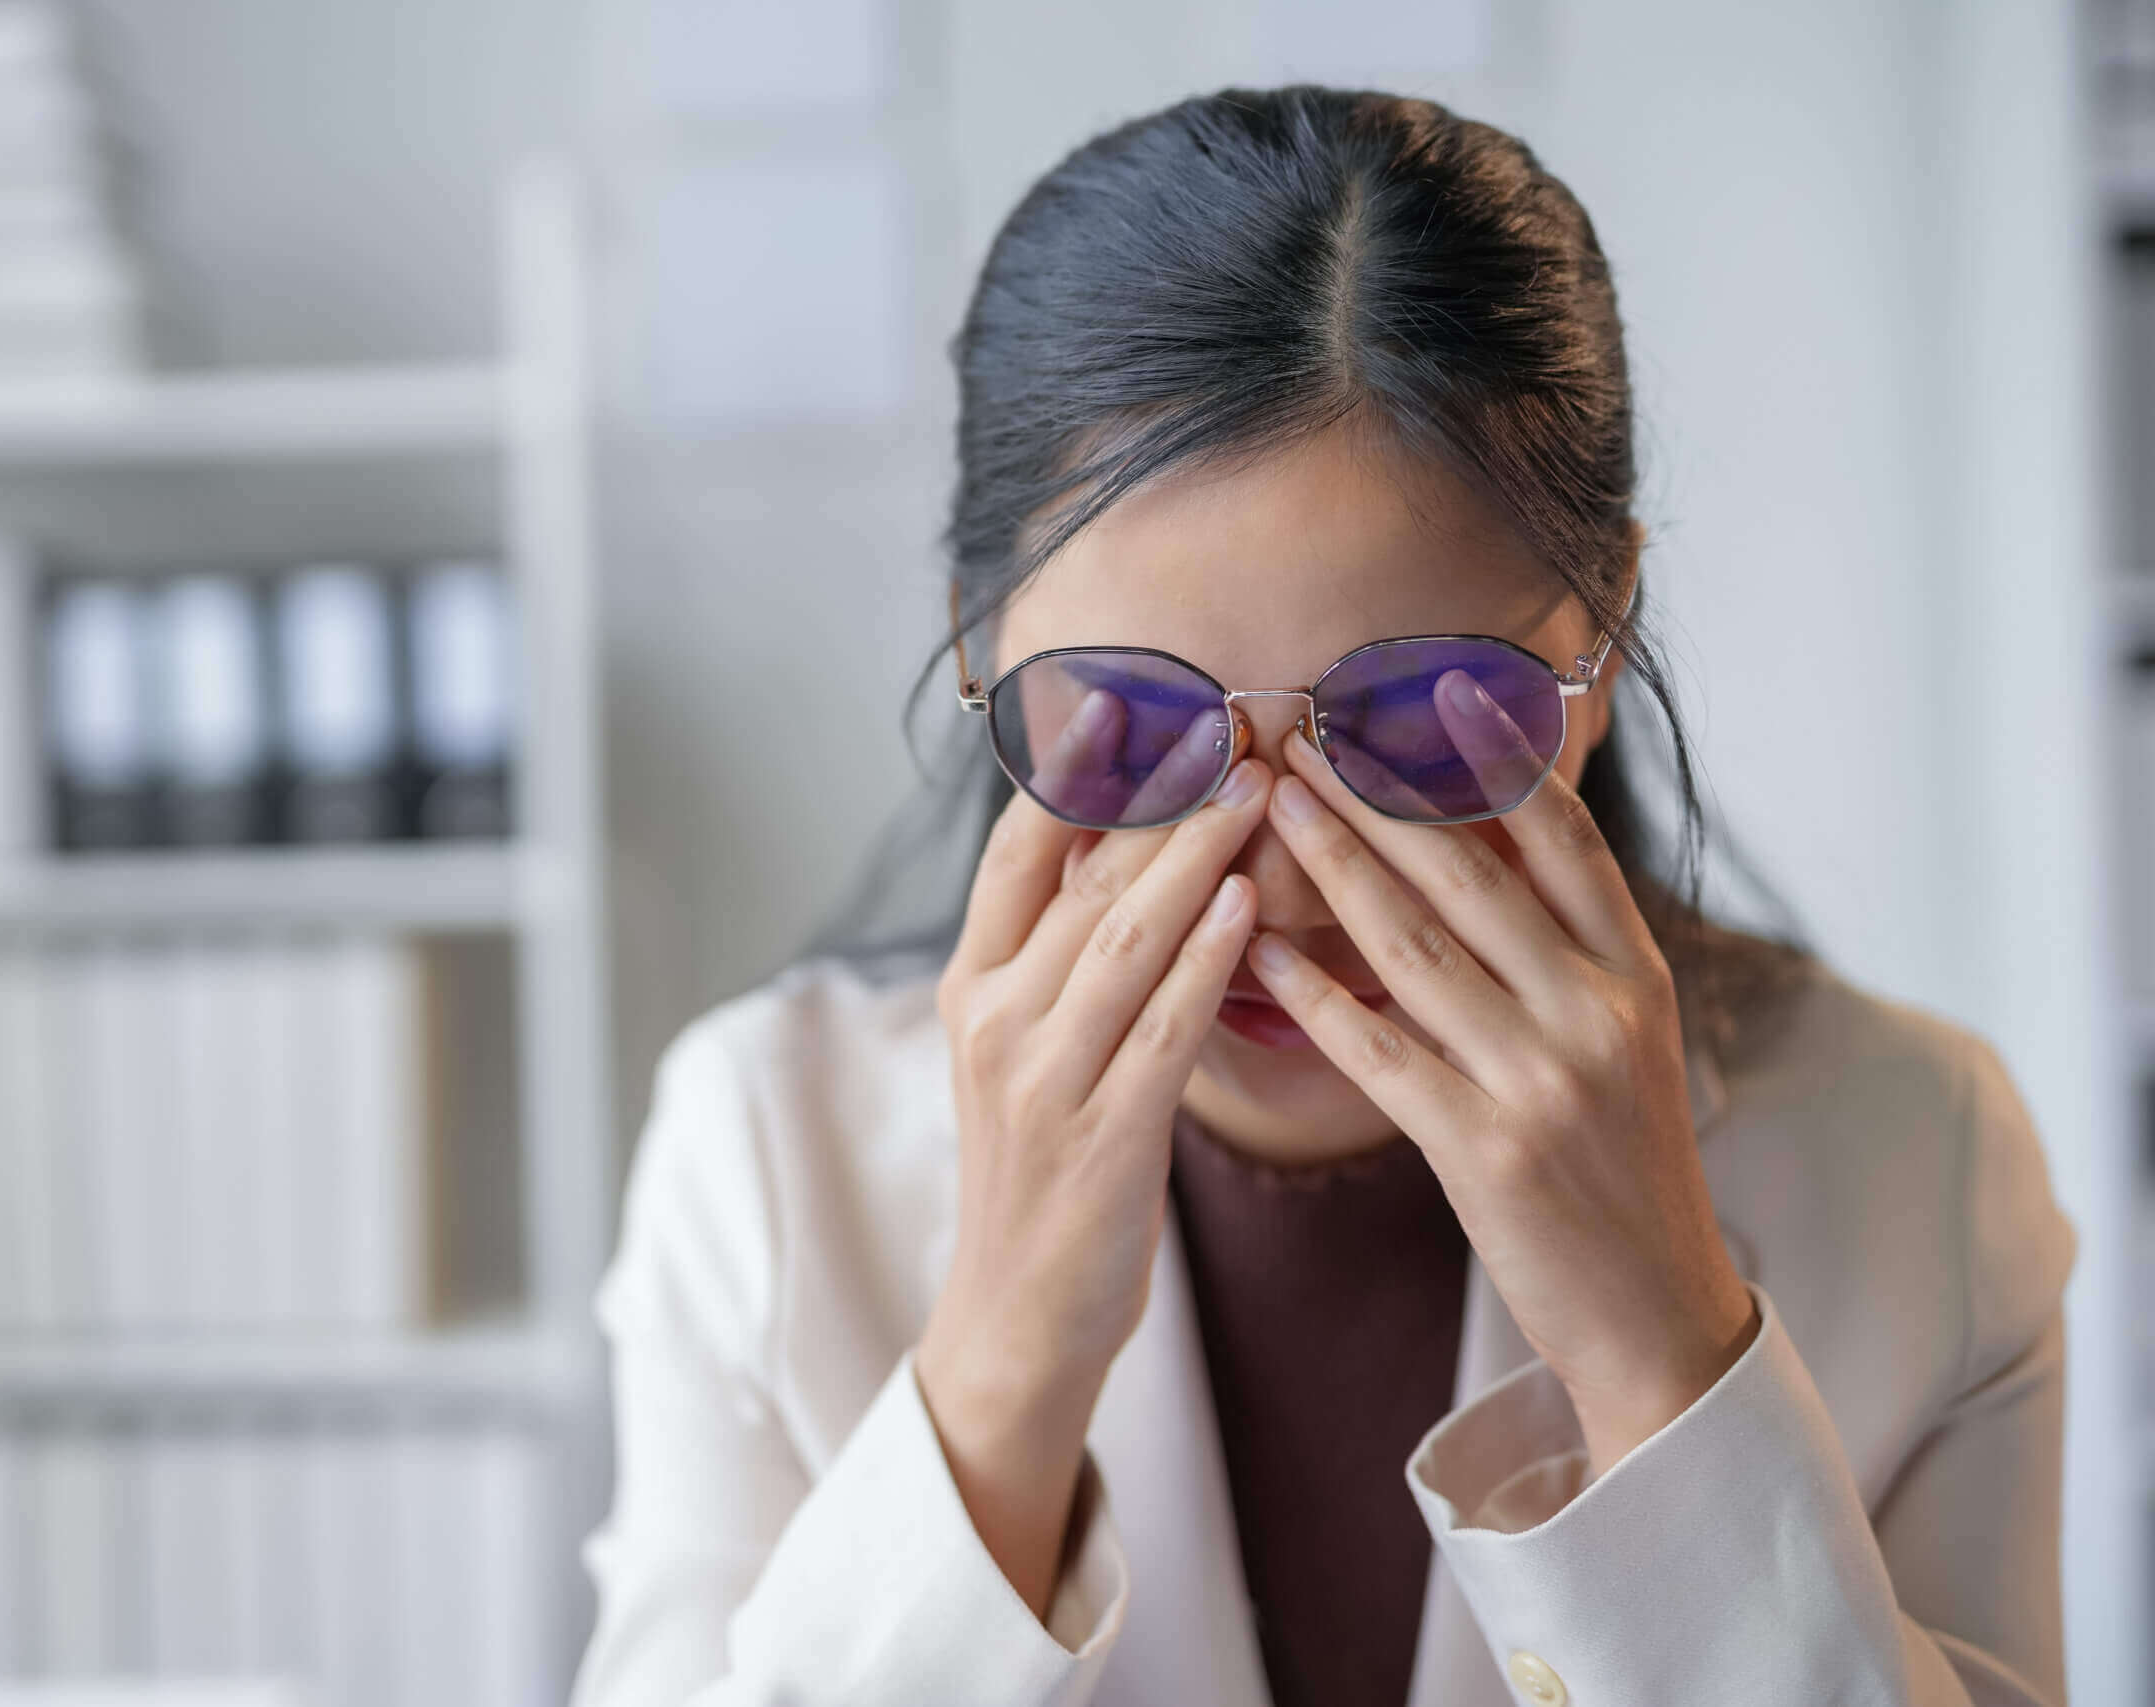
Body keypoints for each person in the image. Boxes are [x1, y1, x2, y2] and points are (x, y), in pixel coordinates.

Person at [568, 84, 2076, 1707]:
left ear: (1605, 649)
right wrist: (998, 1374)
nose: (1278, 880)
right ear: (974, 646)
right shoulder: (763, 1155)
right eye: (1141, 719)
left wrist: (1666, 1363)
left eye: (1414, 715)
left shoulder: (1921, 1159)